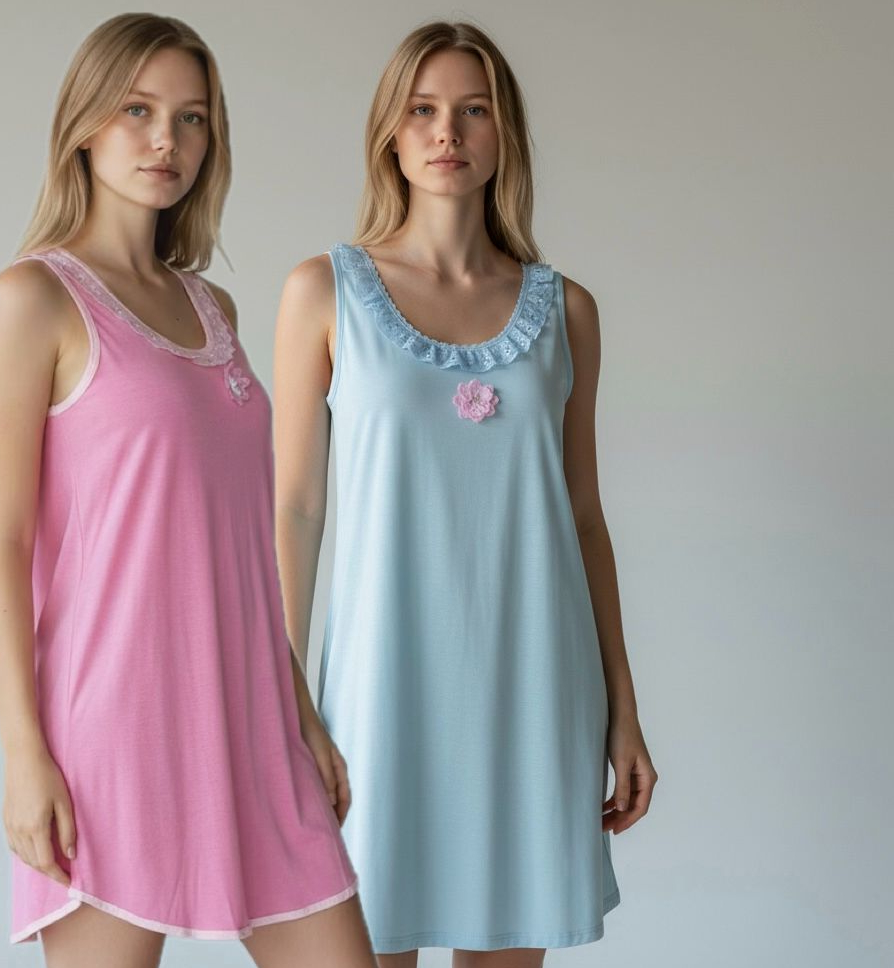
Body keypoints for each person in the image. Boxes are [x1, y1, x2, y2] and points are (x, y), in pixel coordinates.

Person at [0, 14, 376, 968]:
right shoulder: (33, 300)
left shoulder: (212, 307)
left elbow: (233, 543)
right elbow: (3, 545)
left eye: (192, 118)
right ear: (84, 124)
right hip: (111, 730)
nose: (166, 140)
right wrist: (24, 754)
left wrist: (299, 710)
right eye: (138, 111)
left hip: (252, 720)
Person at [272, 20, 658, 967]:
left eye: (473, 110)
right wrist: (284, 698)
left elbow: (584, 519)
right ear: (390, 133)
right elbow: (295, 509)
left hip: (533, 681)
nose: (448, 131)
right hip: (379, 688)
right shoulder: (323, 292)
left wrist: (623, 706)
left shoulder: (567, 311)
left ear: (504, 134)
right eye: (423, 109)